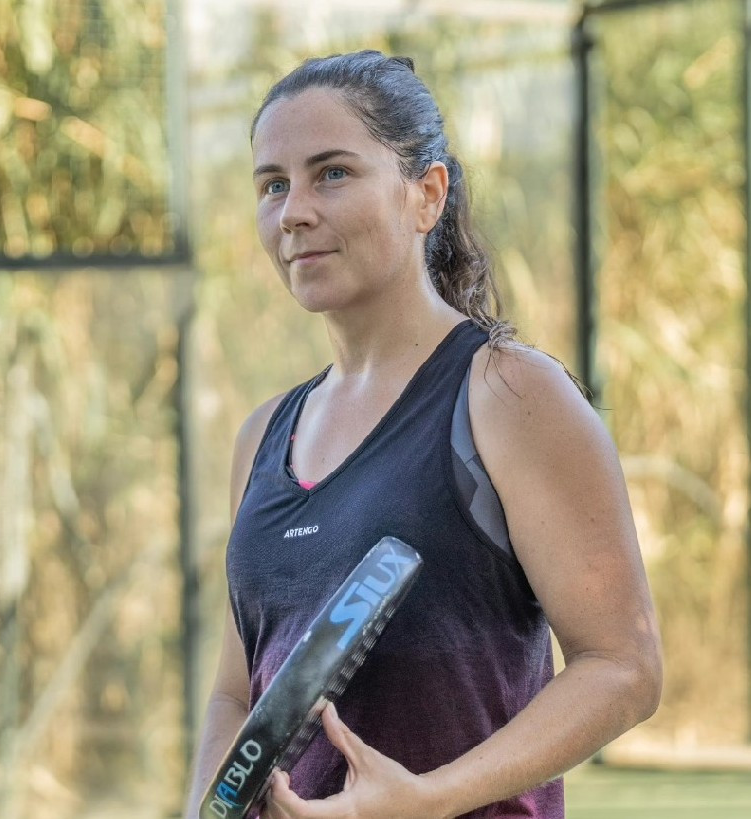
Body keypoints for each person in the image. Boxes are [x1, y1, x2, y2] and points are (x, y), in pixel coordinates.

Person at [185, 50, 662, 819]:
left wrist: (428, 798)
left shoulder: (506, 391)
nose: (293, 211)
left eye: (331, 173)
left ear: (426, 194)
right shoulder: (262, 434)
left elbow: (622, 667)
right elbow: (236, 693)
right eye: (272, 185)